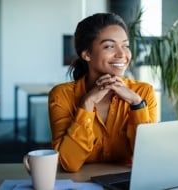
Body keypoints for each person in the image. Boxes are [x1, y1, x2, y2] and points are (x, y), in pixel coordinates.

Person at [48, 12, 158, 172]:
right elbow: (68, 163)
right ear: (86, 54)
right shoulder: (61, 95)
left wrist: (137, 105)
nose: (122, 55)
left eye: (125, 46)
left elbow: (148, 157)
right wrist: (86, 105)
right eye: (109, 46)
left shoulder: (143, 93)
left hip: (127, 183)